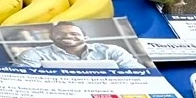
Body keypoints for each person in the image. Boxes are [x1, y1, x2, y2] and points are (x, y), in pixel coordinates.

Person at [11, 22, 143, 69]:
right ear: (51, 37)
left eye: (74, 33)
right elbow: (23, 79)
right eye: (60, 34)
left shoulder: (112, 51)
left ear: (86, 37)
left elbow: (139, 74)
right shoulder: (33, 54)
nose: (68, 36)